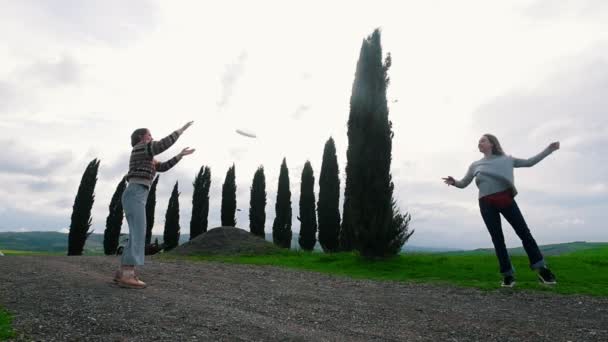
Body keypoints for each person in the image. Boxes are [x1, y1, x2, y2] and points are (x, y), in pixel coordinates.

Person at [442, 134, 559, 288]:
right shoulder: (475, 165)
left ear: (492, 143)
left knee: (524, 233)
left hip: (505, 198)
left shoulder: (507, 159)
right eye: (478, 141)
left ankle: (542, 270)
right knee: (497, 239)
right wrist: (454, 182)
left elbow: (530, 162)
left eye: (483, 140)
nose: (479, 143)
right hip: (485, 203)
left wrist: (548, 150)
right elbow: (464, 183)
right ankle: (508, 275)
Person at [115, 121, 195, 289]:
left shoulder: (148, 156)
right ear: (141, 137)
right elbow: (162, 145)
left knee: (136, 232)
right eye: (149, 135)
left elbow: (163, 166)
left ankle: (123, 273)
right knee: (138, 232)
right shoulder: (141, 148)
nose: (152, 137)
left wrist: (179, 155)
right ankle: (128, 275)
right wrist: (179, 131)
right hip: (136, 192)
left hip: (138, 193)